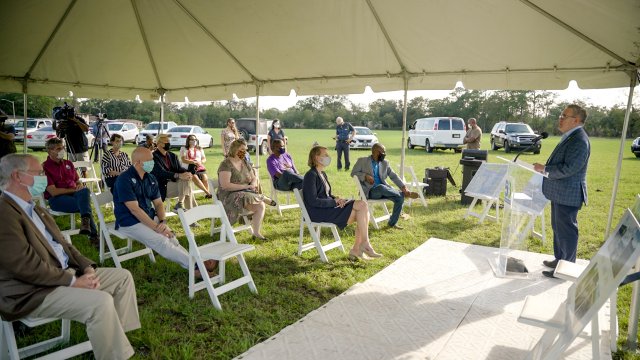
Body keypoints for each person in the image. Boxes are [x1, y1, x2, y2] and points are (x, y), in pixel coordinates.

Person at [0, 153, 140, 360]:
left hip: (62, 275)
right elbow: (24, 266)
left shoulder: (35, 208)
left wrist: (87, 268)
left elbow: (64, 245)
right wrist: (73, 281)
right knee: (100, 302)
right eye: (38, 173)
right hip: (31, 290)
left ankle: (116, 340)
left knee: (123, 278)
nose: (43, 178)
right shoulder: (4, 213)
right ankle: (114, 355)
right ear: (17, 176)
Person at [113, 147, 217, 278]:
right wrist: (156, 227)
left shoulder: (150, 177)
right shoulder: (124, 179)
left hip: (148, 218)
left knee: (171, 236)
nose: (153, 162)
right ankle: (197, 266)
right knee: (160, 240)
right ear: (138, 162)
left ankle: (195, 265)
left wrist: (162, 221)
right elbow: (135, 210)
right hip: (128, 222)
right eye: (149, 160)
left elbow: (158, 204)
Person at [533, 105, 590, 278]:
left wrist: (545, 169)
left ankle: (566, 270)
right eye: (561, 114)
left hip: (568, 194)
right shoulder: (571, 136)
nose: (560, 118)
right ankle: (560, 260)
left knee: (567, 232)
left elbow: (570, 168)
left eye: (565, 115)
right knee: (558, 228)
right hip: (560, 192)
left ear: (576, 120)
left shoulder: (579, 139)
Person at [303, 146, 381, 260]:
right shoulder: (311, 175)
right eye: (325, 155)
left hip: (327, 209)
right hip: (318, 213)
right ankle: (363, 245)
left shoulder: (322, 174)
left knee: (363, 212)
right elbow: (312, 201)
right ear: (316, 157)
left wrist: (337, 199)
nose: (328, 157)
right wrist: (334, 202)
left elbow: (326, 195)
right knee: (362, 206)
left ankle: (357, 249)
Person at [43, 137, 99, 245]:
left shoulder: (68, 163)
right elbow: (53, 192)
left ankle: (86, 224)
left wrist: (79, 186)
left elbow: (77, 181)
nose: (62, 150)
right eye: (58, 148)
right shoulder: (45, 167)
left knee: (85, 190)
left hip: (74, 195)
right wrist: (73, 189)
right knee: (84, 205)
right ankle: (93, 236)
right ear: (50, 151)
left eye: (63, 147)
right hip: (57, 199)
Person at [217, 139, 275, 240]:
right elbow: (226, 185)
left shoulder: (244, 162)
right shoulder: (225, 164)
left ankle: (256, 233)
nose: (245, 152)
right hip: (229, 195)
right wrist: (246, 186)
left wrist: (252, 184)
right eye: (242, 149)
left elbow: (254, 177)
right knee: (243, 195)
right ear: (234, 150)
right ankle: (263, 197)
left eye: (246, 149)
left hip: (246, 193)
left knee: (260, 206)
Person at [351, 144, 419, 229]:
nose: (384, 154)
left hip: (385, 191)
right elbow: (353, 173)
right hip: (371, 191)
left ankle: (392, 223)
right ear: (376, 152)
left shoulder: (385, 163)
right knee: (381, 187)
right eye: (383, 152)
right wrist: (365, 176)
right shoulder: (362, 161)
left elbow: (394, 176)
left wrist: (403, 187)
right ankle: (402, 194)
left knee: (399, 198)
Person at [151, 134, 194, 211]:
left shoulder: (172, 156)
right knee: (187, 187)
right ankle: (192, 217)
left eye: (169, 141)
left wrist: (187, 173)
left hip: (176, 185)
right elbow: (161, 173)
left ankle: (180, 204)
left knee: (187, 184)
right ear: (159, 143)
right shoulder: (153, 157)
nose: (169, 143)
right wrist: (178, 175)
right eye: (166, 141)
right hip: (162, 187)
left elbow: (179, 168)